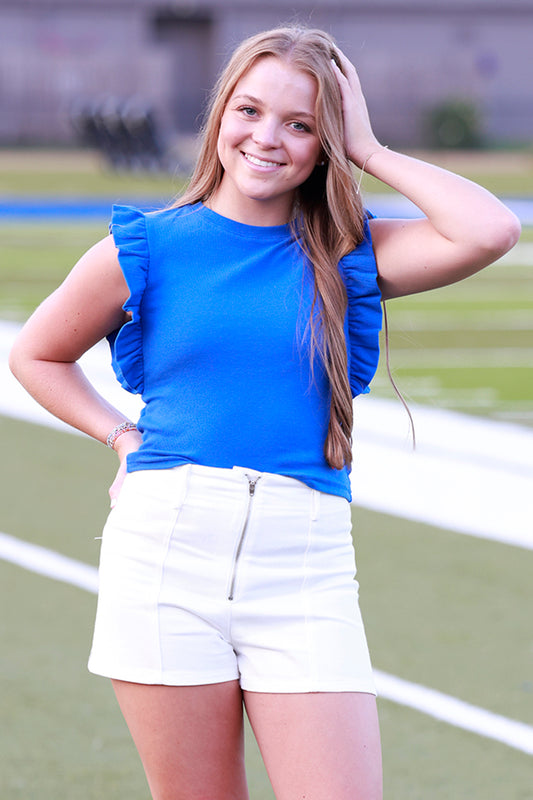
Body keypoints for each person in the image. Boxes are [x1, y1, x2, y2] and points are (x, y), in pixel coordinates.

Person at [9, 25, 520, 800]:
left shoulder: (349, 254)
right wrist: (119, 437)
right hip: (166, 551)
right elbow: (35, 355)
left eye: (301, 124)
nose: (267, 138)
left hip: (304, 564)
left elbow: (488, 231)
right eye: (249, 110)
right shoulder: (144, 247)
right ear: (219, 115)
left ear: (326, 144)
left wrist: (372, 150)